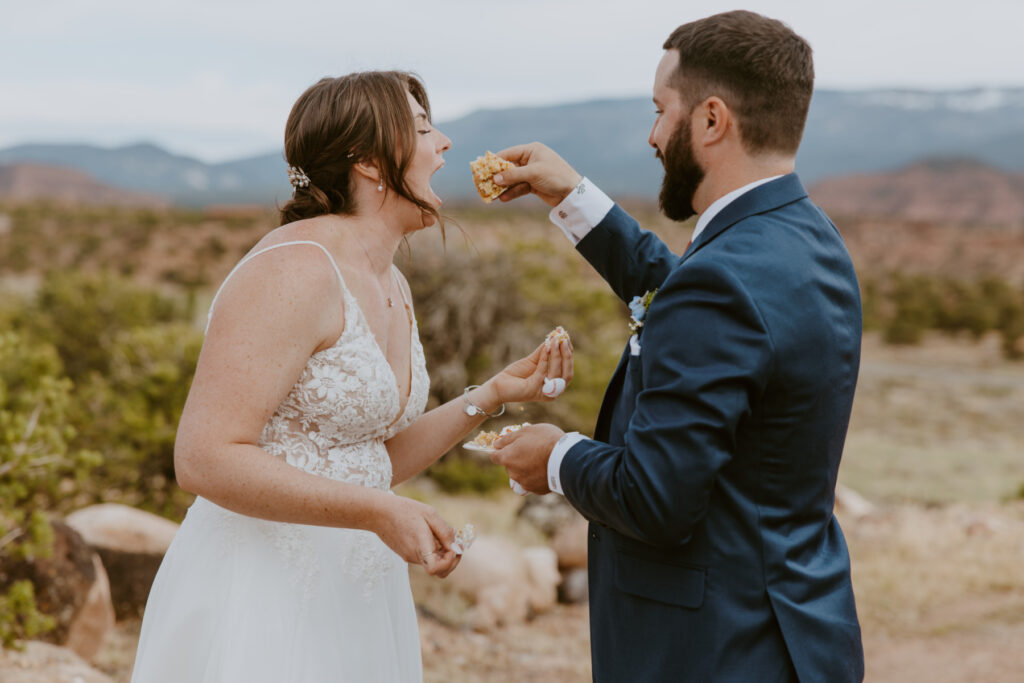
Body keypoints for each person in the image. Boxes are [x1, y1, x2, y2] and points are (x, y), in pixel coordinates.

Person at [129, 71, 573, 683]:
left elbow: (366, 461)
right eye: (421, 128)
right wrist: (375, 513)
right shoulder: (295, 271)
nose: (443, 143)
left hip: (356, 589)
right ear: (367, 160)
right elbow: (203, 459)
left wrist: (491, 394)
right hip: (262, 593)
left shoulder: (391, 280)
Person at [489, 11, 864, 682]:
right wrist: (574, 199)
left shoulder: (722, 281)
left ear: (712, 120)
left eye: (662, 110)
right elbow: (701, 308)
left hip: (711, 651)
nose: (654, 135)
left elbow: (654, 500)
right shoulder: (807, 237)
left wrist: (557, 456)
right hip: (793, 634)